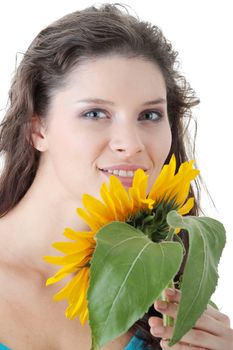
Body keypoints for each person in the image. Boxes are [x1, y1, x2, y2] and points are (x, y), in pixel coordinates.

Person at [0, 3, 232, 350]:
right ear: (38, 128)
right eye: (95, 113)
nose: (132, 144)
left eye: (150, 115)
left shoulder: (165, 293)